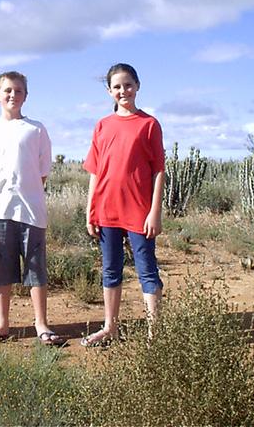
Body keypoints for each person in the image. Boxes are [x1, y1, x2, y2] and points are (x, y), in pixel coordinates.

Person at [0, 71, 63, 346]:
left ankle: (41, 324)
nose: (13, 95)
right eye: (7, 90)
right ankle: (1, 324)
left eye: (18, 91)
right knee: (1, 269)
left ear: (26, 95)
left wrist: (27, 190)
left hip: (31, 210)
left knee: (35, 268)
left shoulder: (36, 129)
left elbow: (42, 172)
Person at [81, 63, 165, 347]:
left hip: (139, 211)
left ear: (138, 86)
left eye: (128, 85)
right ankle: (110, 327)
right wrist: (90, 209)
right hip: (106, 209)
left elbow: (158, 171)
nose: (123, 91)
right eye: (117, 87)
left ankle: (156, 334)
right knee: (110, 269)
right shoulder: (102, 125)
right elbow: (95, 171)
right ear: (109, 91)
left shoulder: (149, 124)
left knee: (146, 269)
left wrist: (155, 211)